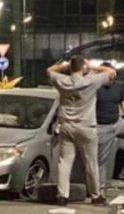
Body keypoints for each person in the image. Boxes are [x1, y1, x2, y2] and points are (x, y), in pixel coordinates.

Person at [47, 56, 117, 206]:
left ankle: (62, 195)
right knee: (91, 163)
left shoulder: (62, 81)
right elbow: (111, 72)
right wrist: (92, 67)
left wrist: (65, 67)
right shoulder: (92, 80)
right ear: (83, 68)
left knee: (64, 162)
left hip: (66, 126)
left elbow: (49, 70)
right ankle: (95, 196)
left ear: (71, 68)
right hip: (87, 127)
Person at [94, 62, 124, 186]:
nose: (111, 78)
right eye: (108, 75)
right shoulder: (94, 87)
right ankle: (100, 186)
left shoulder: (118, 87)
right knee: (102, 159)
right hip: (101, 125)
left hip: (117, 122)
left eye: (113, 75)